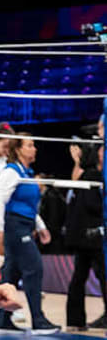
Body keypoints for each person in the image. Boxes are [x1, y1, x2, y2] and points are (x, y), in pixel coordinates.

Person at [0, 133, 59, 334]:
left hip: (25, 224)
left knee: (11, 274)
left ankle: (2, 320)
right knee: (34, 268)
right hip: (15, 226)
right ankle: (38, 321)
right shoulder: (10, 172)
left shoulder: (27, 173)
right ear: (18, 149)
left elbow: (29, 206)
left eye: (33, 145)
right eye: (29, 145)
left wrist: (41, 226)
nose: (34, 149)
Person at [66, 138, 106, 330]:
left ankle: (75, 321)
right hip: (92, 236)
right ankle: (76, 320)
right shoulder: (94, 176)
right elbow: (93, 204)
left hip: (82, 236)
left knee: (79, 276)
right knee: (102, 276)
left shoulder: (86, 175)